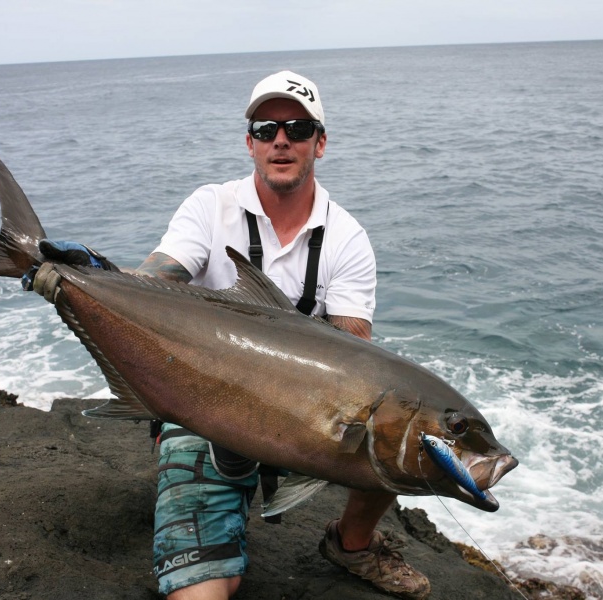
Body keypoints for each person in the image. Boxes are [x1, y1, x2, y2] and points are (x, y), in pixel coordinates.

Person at [32, 71, 430, 600]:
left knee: (406, 437)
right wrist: (89, 275)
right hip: (205, 408)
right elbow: (158, 278)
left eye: (298, 128)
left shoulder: (347, 238)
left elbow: (355, 354)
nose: (281, 140)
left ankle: (351, 543)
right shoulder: (210, 206)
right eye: (267, 129)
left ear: (321, 142)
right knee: (204, 591)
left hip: (307, 419)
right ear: (250, 143)